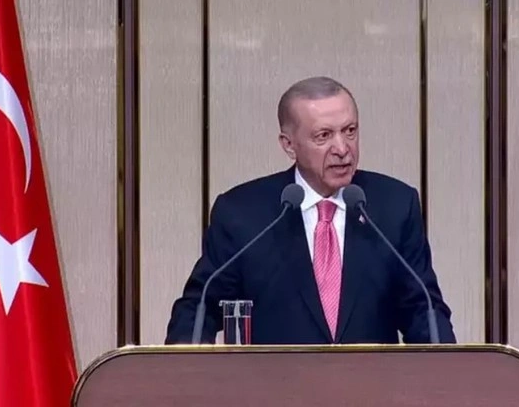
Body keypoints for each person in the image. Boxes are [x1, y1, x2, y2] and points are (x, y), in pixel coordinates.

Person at [165, 76, 456, 344]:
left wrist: (448, 369)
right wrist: (183, 372)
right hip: (275, 383)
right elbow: (200, 306)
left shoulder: (394, 205)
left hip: (371, 382)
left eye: (350, 131)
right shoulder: (242, 214)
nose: (342, 148)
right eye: (323, 136)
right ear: (289, 145)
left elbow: (423, 308)